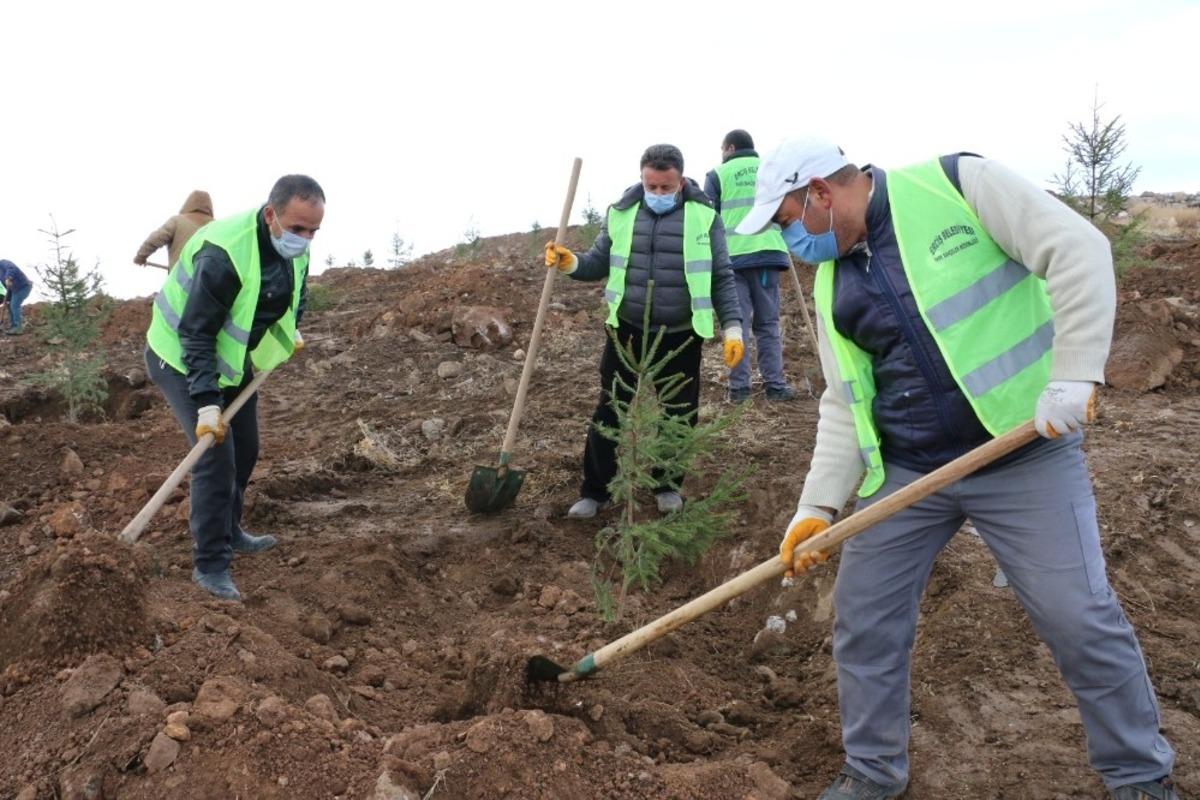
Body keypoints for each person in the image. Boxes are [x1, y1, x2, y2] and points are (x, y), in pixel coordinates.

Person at [737, 136, 1178, 800]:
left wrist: (1076, 371)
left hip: (1021, 453)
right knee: (864, 618)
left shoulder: (957, 186)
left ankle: (1140, 777)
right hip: (909, 471)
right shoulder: (832, 285)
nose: (789, 241)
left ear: (820, 194)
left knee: (1078, 615)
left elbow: (1079, 249)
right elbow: (841, 401)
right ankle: (872, 774)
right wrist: (816, 508)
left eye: (786, 221)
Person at [145, 175, 323, 601]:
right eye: (298, 229)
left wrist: (292, 327)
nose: (305, 239)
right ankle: (210, 565)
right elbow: (195, 334)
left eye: (313, 231)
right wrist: (206, 403)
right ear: (270, 215)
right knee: (214, 458)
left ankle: (230, 528)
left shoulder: (293, 245)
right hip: (181, 358)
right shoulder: (224, 252)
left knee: (246, 448)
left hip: (234, 360)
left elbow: (295, 291)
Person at [545, 144, 744, 519]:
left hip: (681, 334)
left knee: (679, 414)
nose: (657, 194)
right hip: (627, 331)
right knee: (610, 409)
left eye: (665, 188)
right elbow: (597, 263)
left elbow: (722, 276)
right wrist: (571, 263)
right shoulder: (621, 213)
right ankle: (596, 491)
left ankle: (667, 485)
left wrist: (733, 328)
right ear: (642, 178)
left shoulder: (704, 216)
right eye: (651, 186)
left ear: (681, 181)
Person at [704, 129, 797, 402]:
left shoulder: (717, 175)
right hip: (767, 255)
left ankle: (739, 390)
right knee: (767, 324)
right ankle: (775, 386)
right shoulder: (770, 169)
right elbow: (787, 208)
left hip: (731, 261)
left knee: (737, 325)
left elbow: (709, 219)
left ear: (730, 148)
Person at [134, 190, 215, 268]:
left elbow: (156, 238)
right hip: (211, 279)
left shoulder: (178, 221)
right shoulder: (216, 226)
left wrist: (140, 257)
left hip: (181, 278)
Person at [0, 259, 33, 335]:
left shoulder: (3, 263)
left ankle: (18, 328)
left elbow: (12, 268)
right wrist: (7, 299)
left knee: (14, 305)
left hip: (23, 286)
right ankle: (13, 326)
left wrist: (9, 277)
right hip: (14, 290)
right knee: (9, 305)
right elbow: (6, 286)